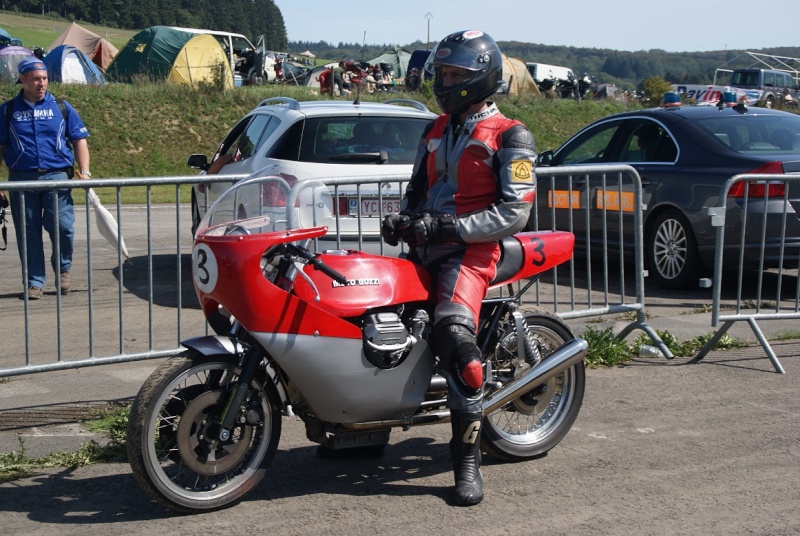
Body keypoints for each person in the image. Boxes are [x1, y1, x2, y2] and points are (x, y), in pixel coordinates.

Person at [381, 30, 536, 506]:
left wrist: (447, 228)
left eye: (454, 75)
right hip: (427, 247)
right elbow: (417, 191)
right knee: (378, 325)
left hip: (471, 252)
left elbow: (514, 213)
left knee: (458, 348)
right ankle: (359, 434)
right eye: (442, 74)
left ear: (481, 78)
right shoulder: (434, 129)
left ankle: (466, 462)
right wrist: (402, 218)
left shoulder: (512, 136)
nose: (445, 82)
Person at [0, 57, 91, 300]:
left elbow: (79, 140)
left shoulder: (61, 107)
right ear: (22, 79)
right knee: (28, 232)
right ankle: (34, 282)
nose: (42, 84)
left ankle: (63, 270)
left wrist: (85, 170)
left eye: (45, 79)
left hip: (57, 177)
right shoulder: (8, 110)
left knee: (62, 227)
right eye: (36, 79)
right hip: (21, 179)